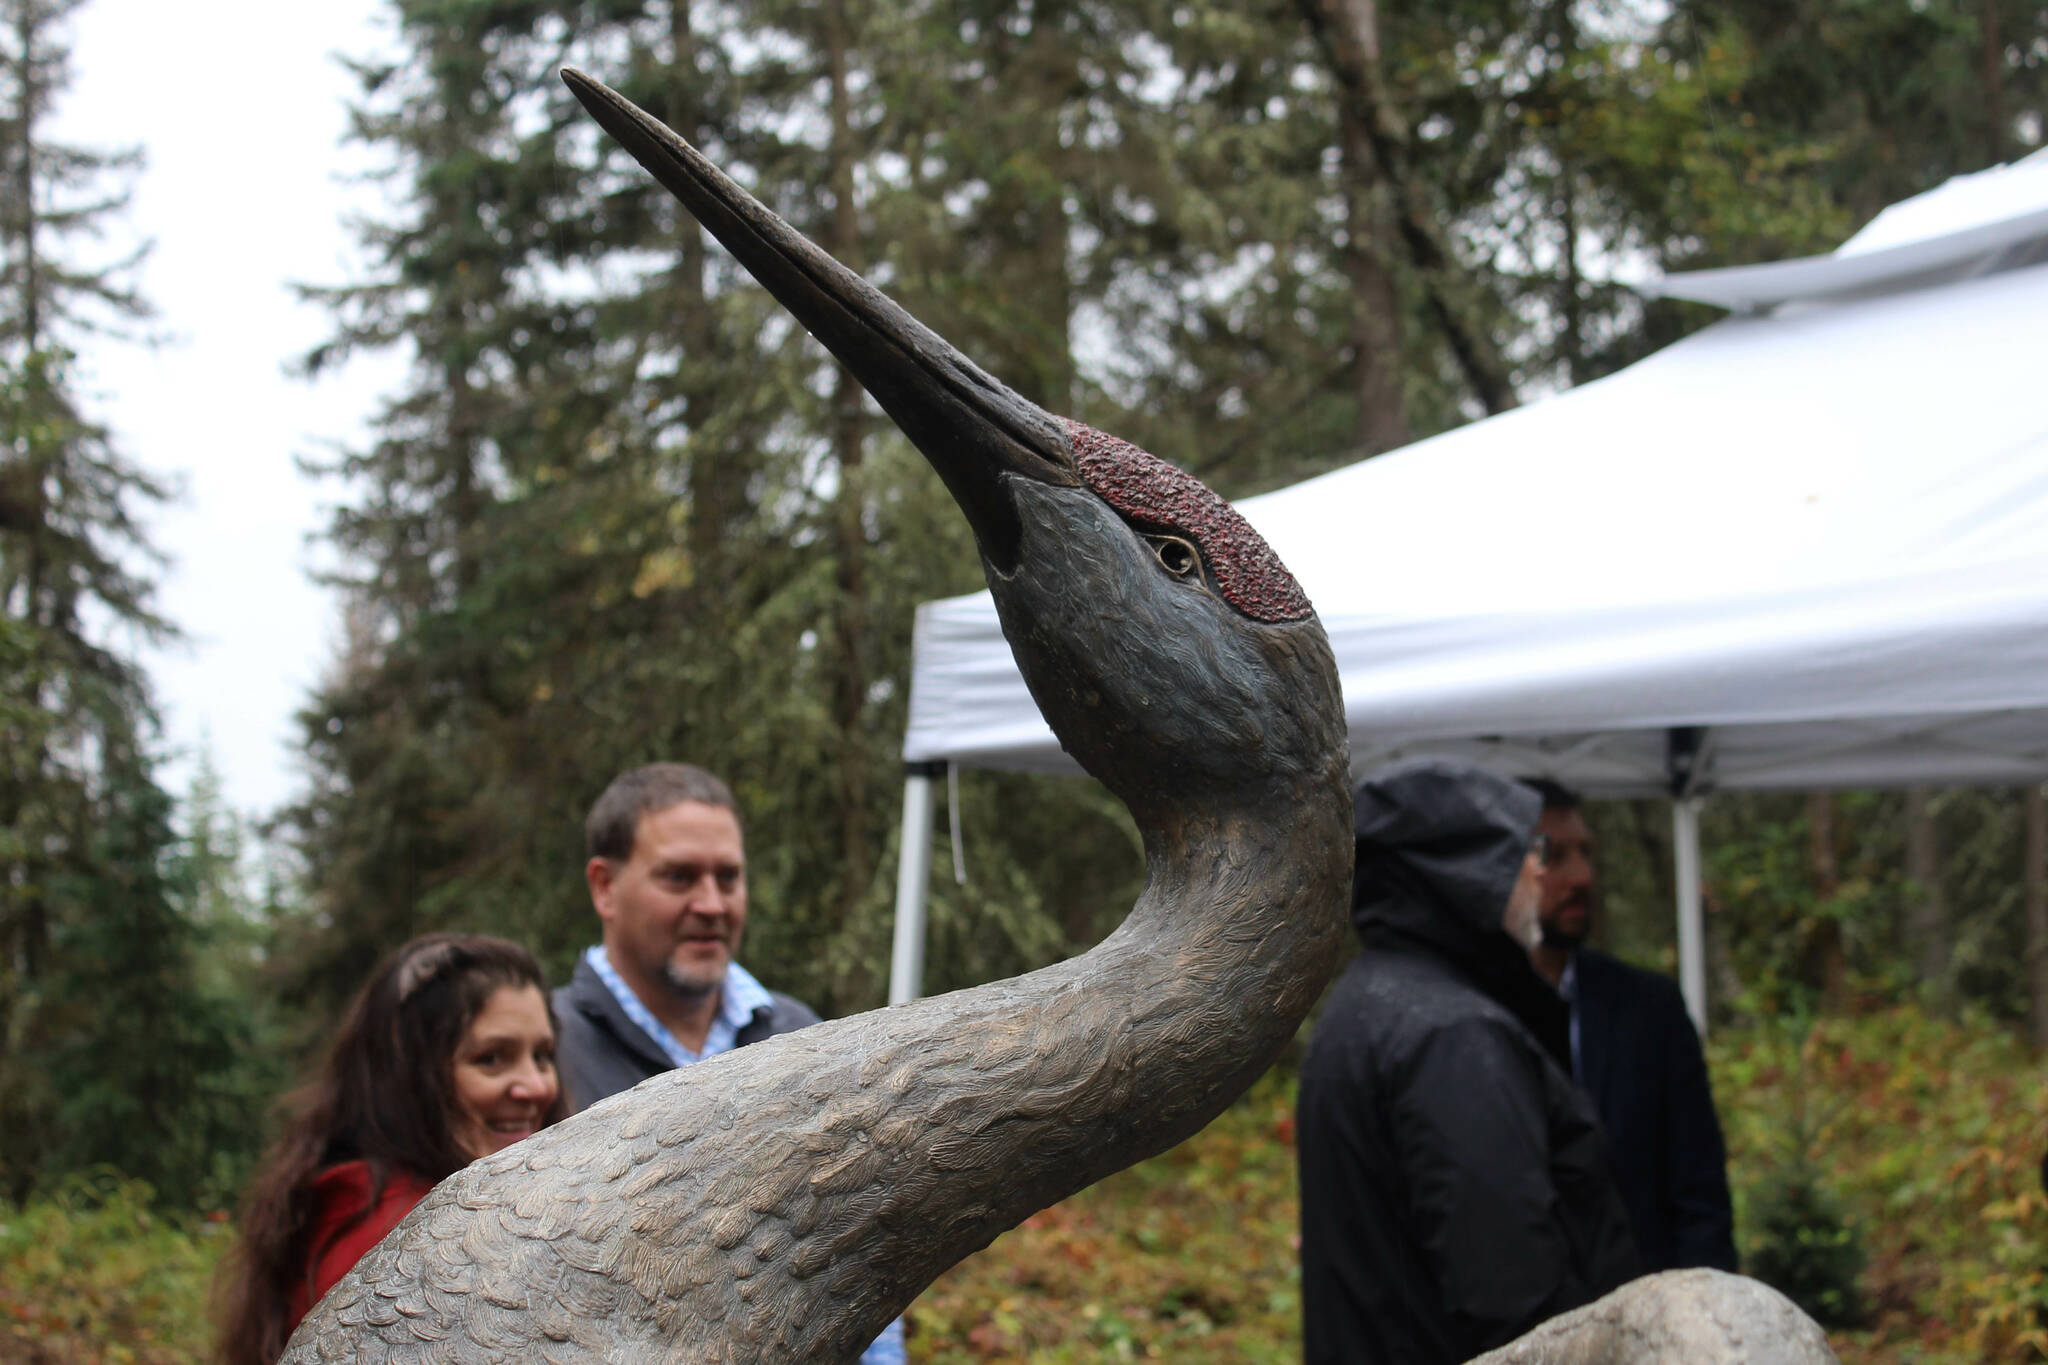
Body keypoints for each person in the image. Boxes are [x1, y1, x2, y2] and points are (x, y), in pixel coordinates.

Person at [552, 762, 903, 1365]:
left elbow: (857, 1247)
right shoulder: (542, 1052)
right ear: (604, 887)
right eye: (679, 877)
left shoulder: (802, 1038)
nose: (711, 904)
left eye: (729, 877)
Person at [1297, 757, 1640, 1365]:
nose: (1541, 878)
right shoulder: (1452, 1035)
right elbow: (1517, 1297)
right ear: (1463, 872)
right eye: (1523, 855)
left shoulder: (1375, 999)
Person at [215, 933, 565, 1365]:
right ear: (410, 1077)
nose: (536, 1086)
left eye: (543, 1056)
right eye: (491, 1058)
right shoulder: (391, 1244)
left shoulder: (378, 1203)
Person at [1522, 778, 1739, 1273]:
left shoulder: (1649, 1009)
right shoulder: (1469, 1013)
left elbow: (1700, 1194)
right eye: (1553, 856)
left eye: (1587, 853)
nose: (1581, 876)